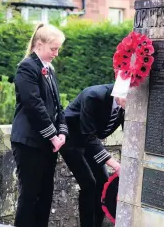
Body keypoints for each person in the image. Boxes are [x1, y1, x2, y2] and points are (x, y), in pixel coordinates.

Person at [11, 23, 68, 227]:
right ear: (39, 45)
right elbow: (33, 105)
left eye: (58, 49)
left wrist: (62, 132)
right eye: (53, 48)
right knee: (29, 197)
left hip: (46, 143)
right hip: (28, 142)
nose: (57, 53)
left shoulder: (48, 70)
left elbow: (57, 106)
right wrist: (52, 135)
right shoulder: (27, 67)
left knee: (45, 196)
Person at [59, 84, 125, 227]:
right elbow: (88, 134)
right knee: (89, 183)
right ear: (121, 92)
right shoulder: (94, 96)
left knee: (103, 182)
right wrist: (115, 164)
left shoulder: (124, 105)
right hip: (71, 139)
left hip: (89, 140)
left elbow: (130, 136)